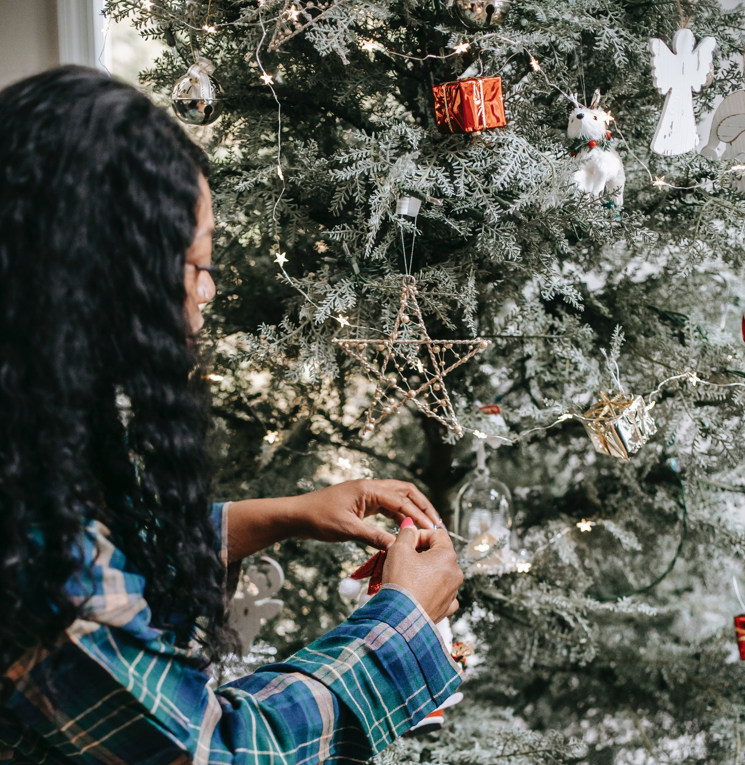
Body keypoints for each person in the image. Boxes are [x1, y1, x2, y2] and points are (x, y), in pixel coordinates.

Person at [0, 67, 464, 764]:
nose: (207, 292)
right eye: (194, 266)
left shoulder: (25, 427)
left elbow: (109, 553)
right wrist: (397, 623)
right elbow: (221, 751)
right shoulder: (32, 566)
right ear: (90, 283)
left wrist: (284, 513)